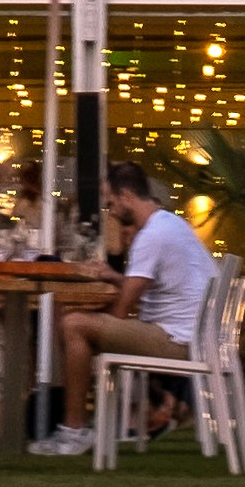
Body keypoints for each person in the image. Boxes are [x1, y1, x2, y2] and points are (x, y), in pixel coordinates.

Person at [39, 157, 212, 455]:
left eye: (111, 203)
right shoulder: (171, 224)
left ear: (127, 196)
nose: (110, 210)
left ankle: (74, 431)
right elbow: (152, 289)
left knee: (73, 324)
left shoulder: (151, 236)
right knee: (79, 322)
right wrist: (116, 277)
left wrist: (93, 314)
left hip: (175, 340)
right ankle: (94, 422)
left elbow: (121, 312)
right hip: (190, 335)